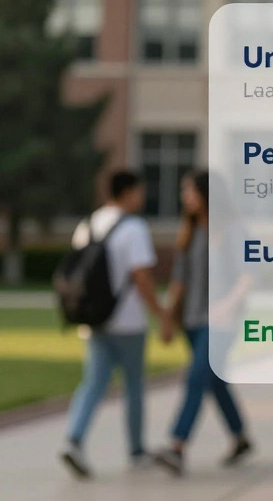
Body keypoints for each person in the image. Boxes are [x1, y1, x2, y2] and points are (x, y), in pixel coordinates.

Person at [60, 170, 171, 478]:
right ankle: (136, 451)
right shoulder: (133, 228)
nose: (142, 196)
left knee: (93, 383)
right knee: (134, 385)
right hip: (128, 321)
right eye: (139, 191)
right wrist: (160, 313)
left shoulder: (88, 224)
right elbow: (141, 277)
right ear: (128, 192)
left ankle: (74, 439)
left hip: (94, 318)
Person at [154, 169, 254, 475]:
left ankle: (177, 446)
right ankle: (240, 437)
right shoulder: (192, 231)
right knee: (214, 381)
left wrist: (227, 305)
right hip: (193, 320)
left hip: (221, 323)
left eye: (190, 191)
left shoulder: (234, 230)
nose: (185, 197)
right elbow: (179, 280)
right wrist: (168, 317)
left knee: (196, 377)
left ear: (207, 195)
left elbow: (249, 275)